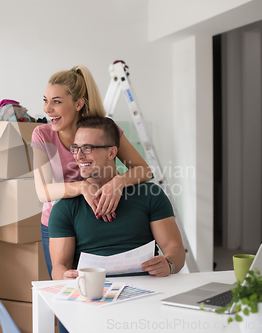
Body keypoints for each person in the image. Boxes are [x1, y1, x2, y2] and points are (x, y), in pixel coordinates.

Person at [31, 65, 153, 278]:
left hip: (98, 218)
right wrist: (82, 186)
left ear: (79, 103)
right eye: (45, 100)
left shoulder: (102, 131)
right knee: (66, 285)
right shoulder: (43, 134)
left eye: (56, 101)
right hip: (59, 223)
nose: (47, 109)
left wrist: (117, 183)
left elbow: (144, 171)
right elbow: (42, 192)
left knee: (105, 286)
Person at [48, 117, 186, 281]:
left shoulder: (150, 194)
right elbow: (59, 266)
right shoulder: (66, 206)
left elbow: (175, 250)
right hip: (94, 293)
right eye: (76, 148)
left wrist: (168, 264)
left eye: (87, 148)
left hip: (149, 290)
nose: (78, 156)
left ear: (112, 152)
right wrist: (65, 277)